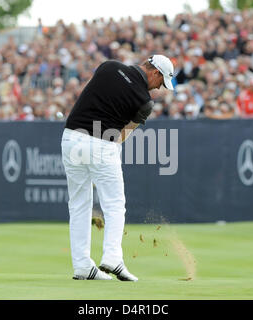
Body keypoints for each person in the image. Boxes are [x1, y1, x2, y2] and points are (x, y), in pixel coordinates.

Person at [61, 55, 174, 281]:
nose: (157, 88)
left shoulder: (108, 66)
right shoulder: (144, 102)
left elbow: (90, 97)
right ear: (154, 72)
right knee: (114, 205)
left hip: (71, 138)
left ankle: (82, 265)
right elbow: (121, 137)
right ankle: (112, 257)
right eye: (160, 83)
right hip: (102, 143)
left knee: (79, 204)